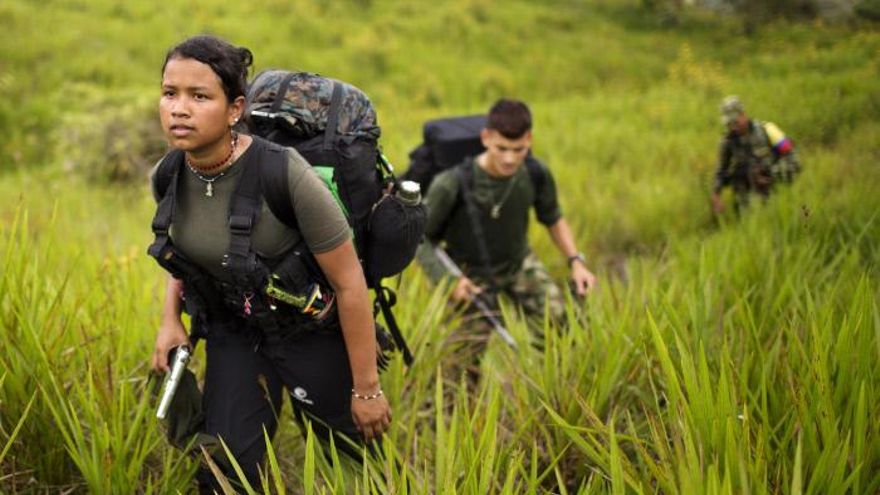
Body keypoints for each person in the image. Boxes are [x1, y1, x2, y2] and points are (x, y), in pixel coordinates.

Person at [148, 35, 390, 491]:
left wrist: (367, 389)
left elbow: (350, 283)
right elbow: (183, 255)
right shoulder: (169, 174)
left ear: (235, 109)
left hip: (311, 331)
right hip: (236, 333)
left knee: (354, 465)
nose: (179, 109)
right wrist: (169, 321)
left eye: (200, 96)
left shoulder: (284, 173)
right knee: (224, 472)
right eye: (169, 93)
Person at [415, 98, 598, 388]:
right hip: (469, 275)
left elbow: (553, 217)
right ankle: (453, 417)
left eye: (519, 149)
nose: (510, 159)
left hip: (518, 263)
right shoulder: (452, 183)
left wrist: (576, 261)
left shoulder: (535, 173)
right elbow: (420, 238)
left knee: (560, 324)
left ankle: (553, 389)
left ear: (529, 140)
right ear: (486, 138)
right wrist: (449, 282)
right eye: (502, 148)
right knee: (460, 364)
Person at [711, 95, 802, 214]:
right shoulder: (727, 141)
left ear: (743, 115)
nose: (733, 127)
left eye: (735, 122)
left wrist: (772, 174)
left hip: (775, 194)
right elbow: (721, 171)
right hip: (744, 201)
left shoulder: (768, 130)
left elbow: (793, 159)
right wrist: (715, 195)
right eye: (729, 124)